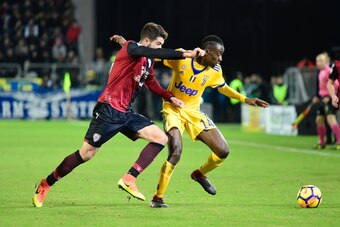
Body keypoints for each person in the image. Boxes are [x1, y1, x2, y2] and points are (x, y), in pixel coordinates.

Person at [32, 22, 205, 208]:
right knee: (86, 154)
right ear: (146, 41)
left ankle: (130, 178)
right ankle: (46, 183)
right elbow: (142, 50)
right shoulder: (132, 47)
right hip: (108, 109)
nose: (159, 49)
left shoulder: (147, 59)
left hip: (126, 113)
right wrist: (187, 54)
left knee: (160, 138)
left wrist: (170, 97)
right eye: (158, 44)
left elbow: (151, 82)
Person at [112, 34, 269, 208]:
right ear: (207, 52)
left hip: (194, 112)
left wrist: (246, 99)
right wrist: (127, 46)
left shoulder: (215, 71)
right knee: (176, 150)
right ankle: (158, 197)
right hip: (173, 109)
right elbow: (153, 54)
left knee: (223, 151)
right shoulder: (183, 57)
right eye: (218, 54)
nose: (221, 59)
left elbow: (224, 88)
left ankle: (199, 174)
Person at [312, 53, 340, 150]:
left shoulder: (328, 70)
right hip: (321, 99)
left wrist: (330, 96)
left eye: (321, 61)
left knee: (331, 120)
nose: (319, 63)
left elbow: (336, 84)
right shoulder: (320, 72)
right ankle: (322, 142)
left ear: (325, 61)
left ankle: (339, 142)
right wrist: (317, 96)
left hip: (328, 100)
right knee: (319, 120)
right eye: (317, 61)